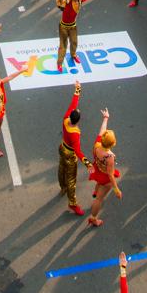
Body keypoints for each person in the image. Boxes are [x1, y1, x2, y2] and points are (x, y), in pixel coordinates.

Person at [58, 80, 92, 216]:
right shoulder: (75, 134)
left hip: (62, 147)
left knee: (61, 170)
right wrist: (87, 163)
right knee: (72, 179)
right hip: (70, 154)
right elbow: (78, 151)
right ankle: (72, 203)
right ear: (77, 121)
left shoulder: (66, 119)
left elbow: (73, 104)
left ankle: (62, 188)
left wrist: (78, 89)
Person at [88, 107, 122, 226]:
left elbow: (102, 130)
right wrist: (116, 189)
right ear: (113, 144)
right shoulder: (110, 157)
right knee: (99, 200)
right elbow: (110, 175)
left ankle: (96, 191)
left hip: (97, 169)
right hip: (105, 177)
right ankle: (93, 218)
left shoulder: (97, 145)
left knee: (98, 184)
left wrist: (105, 118)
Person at [56, 0, 93, 73]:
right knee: (63, 46)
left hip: (73, 26)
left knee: (74, 42)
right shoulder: (68, 1)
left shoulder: (79, 0)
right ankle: (59, 63)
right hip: (63, 26)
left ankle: (73, 55)